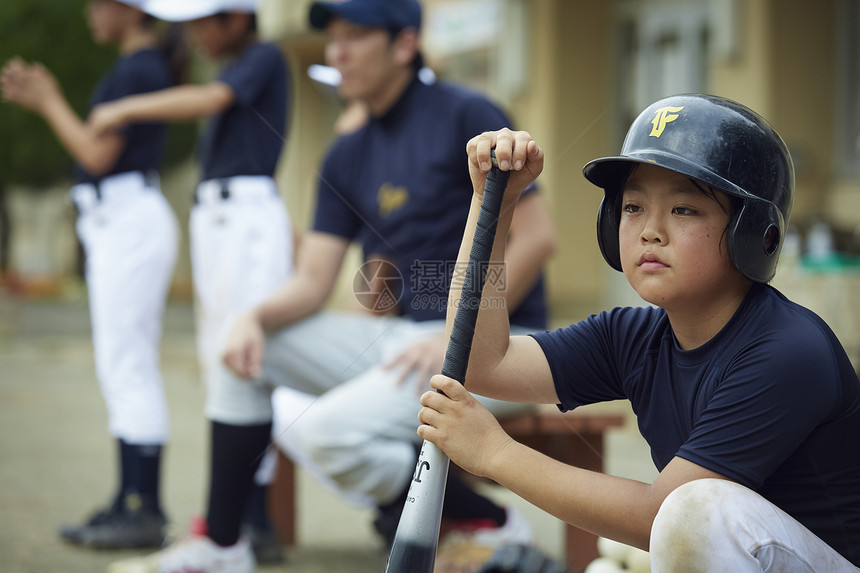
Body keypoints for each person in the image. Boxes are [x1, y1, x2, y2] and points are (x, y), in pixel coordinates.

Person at [107, 0, 557, 571]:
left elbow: (538, 238)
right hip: (405, 340)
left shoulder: (465, 113)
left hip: (500, 344)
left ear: (403, 45)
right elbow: (314, 277)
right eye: (333, 38)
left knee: (324, 432)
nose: (336, 51)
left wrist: (457, 336)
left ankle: (487, 524)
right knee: (240, 347)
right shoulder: (348, 149)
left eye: (354, 36)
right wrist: (254, 317)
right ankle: (223, 544)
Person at [417, 95, 860, 570]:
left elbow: (659, 515)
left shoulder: (789, 350)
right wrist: (492, 207)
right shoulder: (633, 335)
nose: (650, 230)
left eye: (685, 209)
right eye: (632, 207)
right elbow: (485, 363)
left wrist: (495, 453)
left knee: (697, 511)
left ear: (755, 234)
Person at [88, 0, 293, 564]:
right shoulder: (234, 64)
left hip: (247, 217)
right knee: (220, 360)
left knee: (248, 360)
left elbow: (211, 99)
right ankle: (233, 517)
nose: (196, 34)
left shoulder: (263, 55)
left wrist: (122, 109)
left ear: (239, 18)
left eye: (207, 21)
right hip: (219, 219)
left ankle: (253, 518)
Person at [0, 0, 183, 550]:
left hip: (128, 218)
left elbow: (94, 154)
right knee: (120, 365)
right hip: (119, 219)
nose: (88, 13)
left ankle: (142, 506)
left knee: (128, 365)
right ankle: (128, 497)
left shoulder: (141, 68)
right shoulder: (137, 66)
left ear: (132, 9)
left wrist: (47, 99)